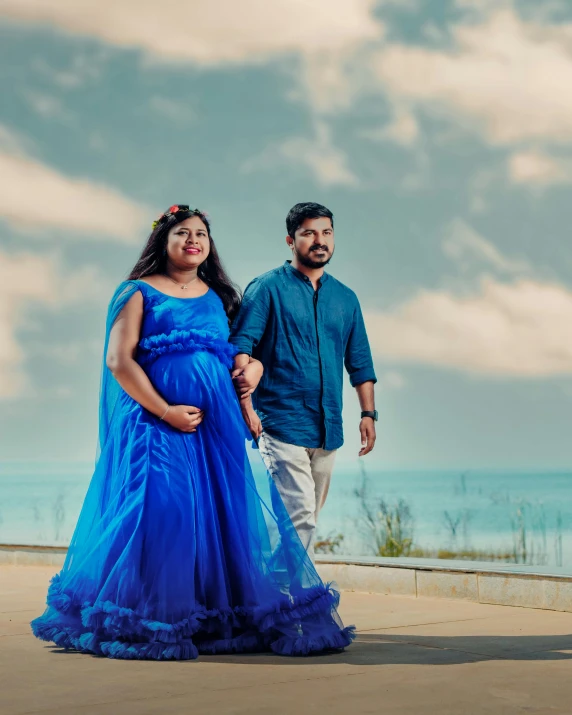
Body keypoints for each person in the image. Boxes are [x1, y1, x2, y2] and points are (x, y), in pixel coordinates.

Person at [31, 204, 354, 660]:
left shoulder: (220, 297)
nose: (192, 240)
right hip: (153, 425)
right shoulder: (137, 292)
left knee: (216, 518)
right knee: (167, 511)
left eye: (200, 233)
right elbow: (119, 361)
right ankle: (151, 616)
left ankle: (205, 615)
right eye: (182, 233)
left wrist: (252, 379)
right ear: (162, 241)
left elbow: (242, 355)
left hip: (213, 429)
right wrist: (166, 411)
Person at [230, 202, 377, 560]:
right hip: (280, 423)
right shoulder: (266, 289)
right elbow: (241, 346)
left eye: (326, 232)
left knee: (306, 517)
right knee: (301, 519)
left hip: (328, 427)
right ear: (290, 240)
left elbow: (359, 362)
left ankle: (273, 596)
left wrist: (369, 415)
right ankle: (286, 602)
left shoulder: (346, 298)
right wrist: (246, 408)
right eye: (309, 233)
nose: (319, 240)